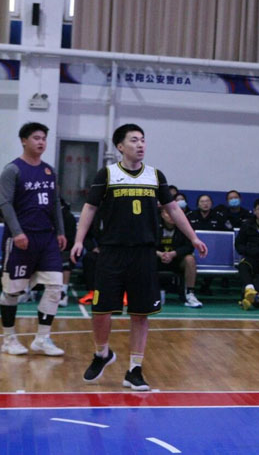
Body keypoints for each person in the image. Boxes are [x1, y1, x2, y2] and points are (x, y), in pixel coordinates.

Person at [70, 123, 207, 391]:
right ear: (120, 146)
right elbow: (89, 208)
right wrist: (78, 240)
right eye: (134, 140)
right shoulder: (107, 175)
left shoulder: (155, 176)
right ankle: (102, 353)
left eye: (143, 140)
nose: (140, 144)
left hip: (144, 253)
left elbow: (173, 209)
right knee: (101, 310)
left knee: (140, 313)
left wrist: (193, 237)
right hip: (111, 252)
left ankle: (134, 369)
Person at [0, 122, 67, 356]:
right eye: (36, 138)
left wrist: (60, 231)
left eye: (44, 138)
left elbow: (55, 203)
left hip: (46, 239)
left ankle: (42, 338)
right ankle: (9, 339)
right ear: (24, 141)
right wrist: (17, 232)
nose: (41, 142)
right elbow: (4, 203)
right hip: (22, 239)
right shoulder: (13, 170)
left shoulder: (49, 171)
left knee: (55, 286)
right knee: (12, 291)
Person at [157, 207, 202, 308]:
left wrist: (173, 254)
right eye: (167, 213)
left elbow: (189, 246)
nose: (171, 216)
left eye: (172, 213)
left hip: (176, 259)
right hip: (157, 258)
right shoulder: (154, 225)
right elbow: (148, 245)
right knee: (143, 257)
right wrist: (160, 254)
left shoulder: (184, 226)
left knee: (190, 259)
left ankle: (190, 294)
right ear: (162, 214)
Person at [59, 196, 78, 307]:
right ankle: (30, 290)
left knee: (65, 262)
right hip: (48, 248)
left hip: (66, 249)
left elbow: (70, 240)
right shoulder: (46, 216)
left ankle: (63, 292)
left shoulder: (68, 217)